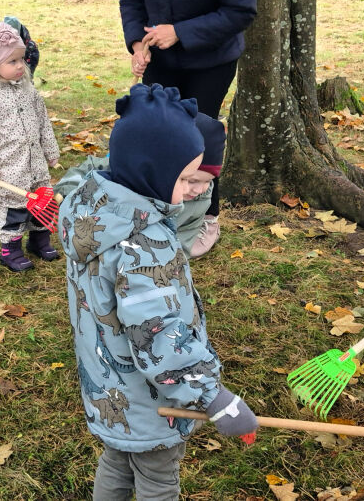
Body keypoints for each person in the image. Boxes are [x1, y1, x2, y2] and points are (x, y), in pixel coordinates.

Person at [60, 84, 257, 501]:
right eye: (185, 178)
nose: (192, 190)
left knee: (117, 459)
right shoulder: (143, 243)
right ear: (152, 170)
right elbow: (159, 332)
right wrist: (214, 398)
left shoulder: (92, 208)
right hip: (149, 397)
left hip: (107, 382)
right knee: (158, 479)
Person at [120, 0, 257, 257]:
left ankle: (205, 218)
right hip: (160, 60)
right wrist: (137, 42)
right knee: (157, 133)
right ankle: (161, 211)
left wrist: (180, 32)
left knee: (199, 137)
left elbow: (241, 9)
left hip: (209, 61)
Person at [54, 113, 226, 257]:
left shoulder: (201, 197)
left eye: (208, 180)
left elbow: (184, 238)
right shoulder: (132, 174)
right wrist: (66, 194)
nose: (198, 189)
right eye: (191, 180)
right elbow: (91, 167)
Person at [0, 22, 61, 272]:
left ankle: (39, 241)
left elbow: (43, 122)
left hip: (36, 166)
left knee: (42, 203)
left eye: (22, 59)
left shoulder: (29, 92)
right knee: (15, 212)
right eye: (12, 62)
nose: (21, 66)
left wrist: (51, 151)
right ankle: (11, 251)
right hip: (11, 170)